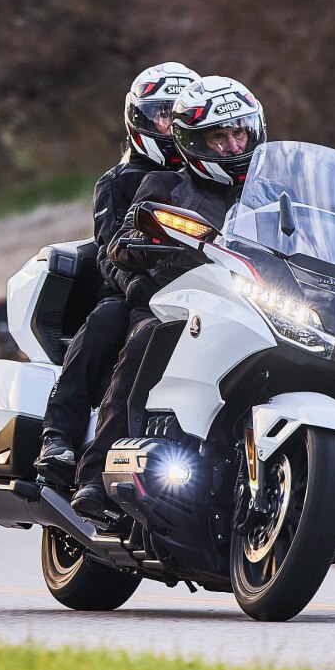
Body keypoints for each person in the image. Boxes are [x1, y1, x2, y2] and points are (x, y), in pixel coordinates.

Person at [71, 75, 267, 518]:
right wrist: (144, 244)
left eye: (240, 133)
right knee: (147, 339)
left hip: (248, 309)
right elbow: (119, 243)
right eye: (219, 137)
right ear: (194, 142)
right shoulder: (164, 186)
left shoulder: (272, 196)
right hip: (173, 303)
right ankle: (96, 474)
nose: (234, 147)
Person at [34, 62, 200, 486]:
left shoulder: (207, 179)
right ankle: (59, 435)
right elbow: (109, 251)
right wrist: (137, 289)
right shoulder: (118, 182)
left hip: (198, 293)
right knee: (106, 323)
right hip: (128, 293)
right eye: (163, 114)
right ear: (140, 119)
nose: (170, 124)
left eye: (178, 114)